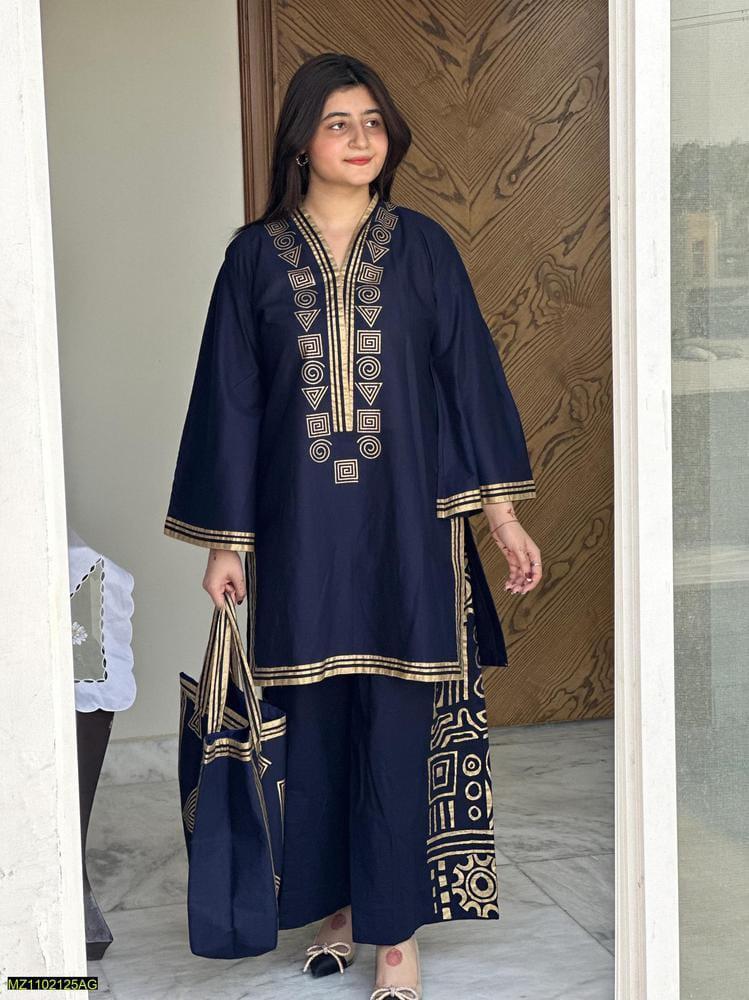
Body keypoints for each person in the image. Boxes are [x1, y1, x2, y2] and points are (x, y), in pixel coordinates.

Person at [164, 51, 541, 1000]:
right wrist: (225, 542)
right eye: (339, 123)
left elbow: (468, 383)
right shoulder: (254, 258)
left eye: (373, 122)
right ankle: (335, 910)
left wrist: (500, 518)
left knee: (397, 730)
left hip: (408, 535)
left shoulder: (424, 249)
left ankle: (395, 938)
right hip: (298, 537)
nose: (361, 138)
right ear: (302, 140)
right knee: (312, 727)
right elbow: (230, 403)